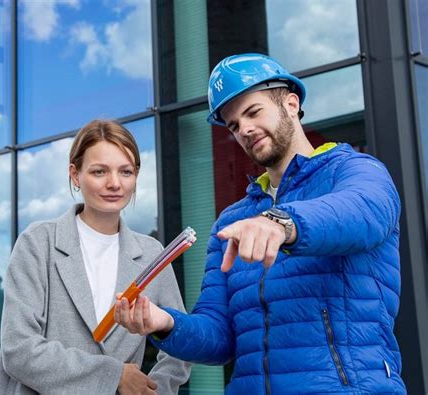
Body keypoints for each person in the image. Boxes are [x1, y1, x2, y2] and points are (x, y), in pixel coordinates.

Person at [114, 53, 407, 394]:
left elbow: (362, 212)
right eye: (234, 125)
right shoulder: (233, 220)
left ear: (291, 103)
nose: (244, 130)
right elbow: (220, 337)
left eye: (252, 112)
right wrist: (165, 323)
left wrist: (282, 223)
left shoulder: (354, 171)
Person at [0, 119, 191, 394]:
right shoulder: (38, 242)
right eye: (99, 172)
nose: (114, 184)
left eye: (126, 172)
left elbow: (180, 342)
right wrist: (114, 377)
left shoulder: (150, 254)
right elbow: (18, 349)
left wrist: (155, 389)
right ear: (75, 175)